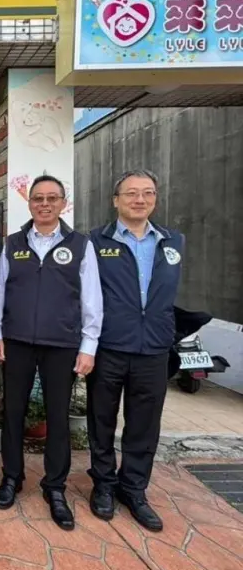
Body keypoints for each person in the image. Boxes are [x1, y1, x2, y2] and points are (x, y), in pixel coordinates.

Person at [0, 174, 103, 530]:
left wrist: (89, 346)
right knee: (13, 412)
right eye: (38, 198)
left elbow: (92, 300)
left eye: (52, 198)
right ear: (30, 203)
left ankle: (54, 487)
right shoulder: (12, 243)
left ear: (63, 202)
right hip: (18, 341)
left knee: (57, 416)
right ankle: (12, 477)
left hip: (62, 344)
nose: (44, 204)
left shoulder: (80, 245)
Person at [87, 169, 184, 533]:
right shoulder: (97, 241)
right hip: (110, 345)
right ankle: (104, 486)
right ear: (116, 200)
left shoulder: (173, 242)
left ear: (155, 198)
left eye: (147, 193)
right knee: (102, 420)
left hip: (154, 348)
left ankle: (134, 489)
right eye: (131, 193)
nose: (139, 199)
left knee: (144, 425)